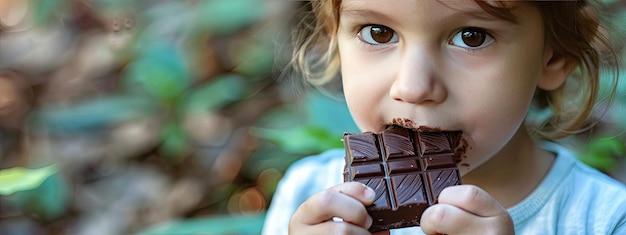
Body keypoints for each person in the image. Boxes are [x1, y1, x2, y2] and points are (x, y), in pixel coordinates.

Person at [263, 0, 626, 234]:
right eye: (378, 32)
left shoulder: (605, 220)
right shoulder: (308, 200)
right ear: (334, 39)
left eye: (472, 37)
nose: (414, 86)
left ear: (555, 55)